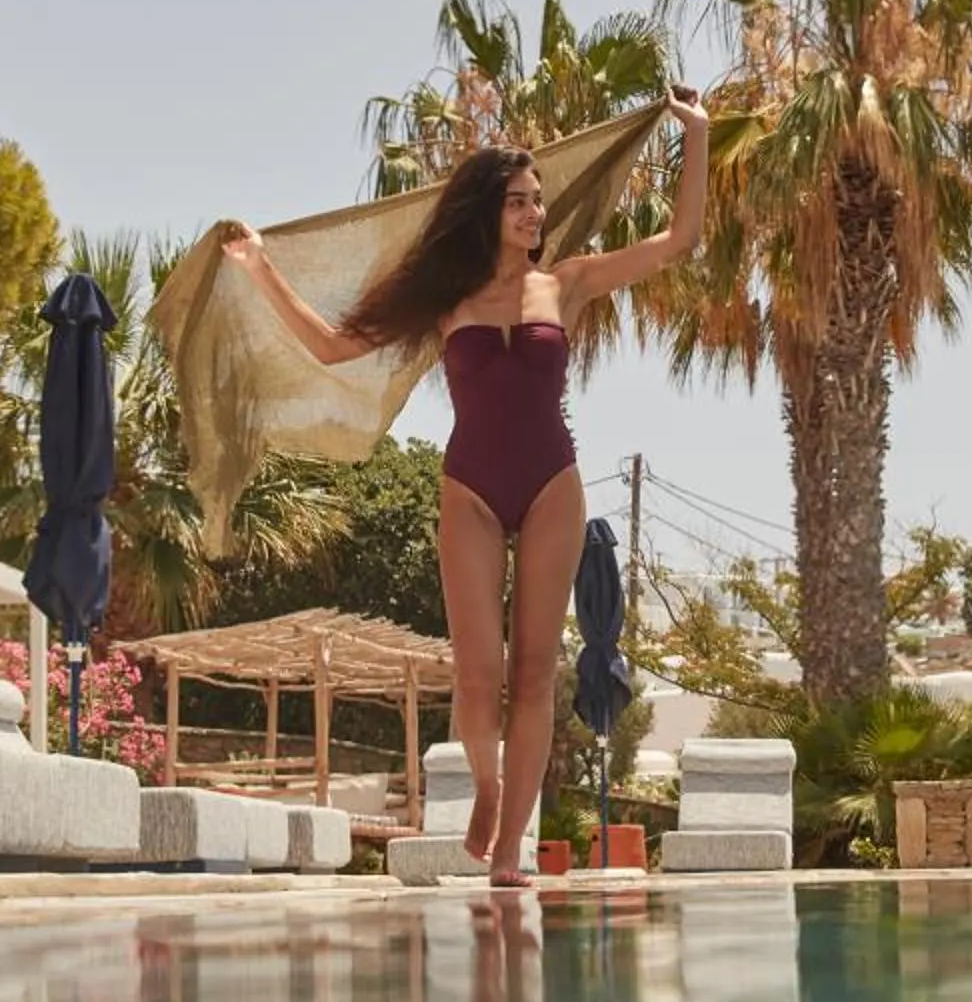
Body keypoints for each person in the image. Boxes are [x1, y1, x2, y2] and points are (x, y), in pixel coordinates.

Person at [224, 88, 710, 885]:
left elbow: (681, 239)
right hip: (472, 491)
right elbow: (333, 348)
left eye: (539, 201)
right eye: (518, 201)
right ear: (487, 211)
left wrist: (696, 135)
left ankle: (510, 850)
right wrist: (261, 271)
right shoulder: (446, 301)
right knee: (480, 676)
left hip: (553, 482)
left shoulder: (569, 283)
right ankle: (485, 790)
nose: (533, 212)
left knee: (533, 674)